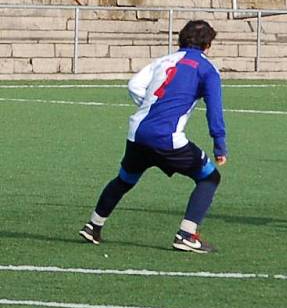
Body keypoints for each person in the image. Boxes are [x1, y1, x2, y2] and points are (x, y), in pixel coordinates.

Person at [78, 20, 228, 253]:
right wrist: (220, 145)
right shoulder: (207, 69)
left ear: (180, 40)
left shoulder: (164, 60)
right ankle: (187, 235)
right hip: (168, 139)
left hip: (138, 133)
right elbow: (214, 110)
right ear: (208, 45)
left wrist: (151, 105)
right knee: (209, 178)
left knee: (124, 180)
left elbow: (134, 84)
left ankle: (93, 226)